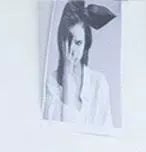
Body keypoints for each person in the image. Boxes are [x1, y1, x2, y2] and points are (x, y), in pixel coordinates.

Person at [42, 1, 116, 131]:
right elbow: (58, 131)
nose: (72, 50)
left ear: (86, 44)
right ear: (61, 41)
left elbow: (107, 130)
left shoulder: (99, 82)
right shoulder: (51, 82)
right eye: (68, 41)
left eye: (78, 43)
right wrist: (67, 74)